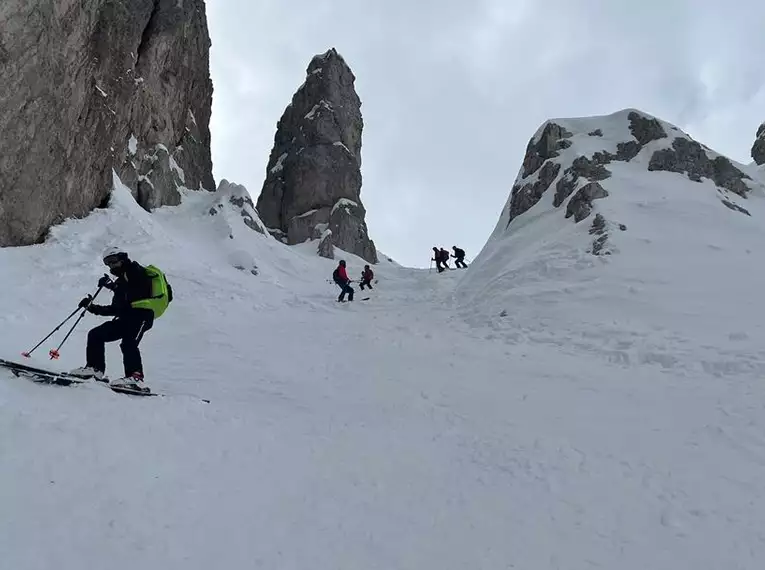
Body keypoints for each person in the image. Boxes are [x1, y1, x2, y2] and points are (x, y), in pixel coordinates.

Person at [70, 246, 170, 391]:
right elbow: (116, 309)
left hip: (142, 314)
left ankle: (135, 378)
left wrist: (113, 286)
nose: (111, 265)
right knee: (96, 334)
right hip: (126, 318)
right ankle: (95, 369)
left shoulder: (136, 271)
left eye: (113, 260)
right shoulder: (121, 282)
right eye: (108, 263)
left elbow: (138, 290)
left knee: (129, 343)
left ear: (123, 257)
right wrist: (92, 307)